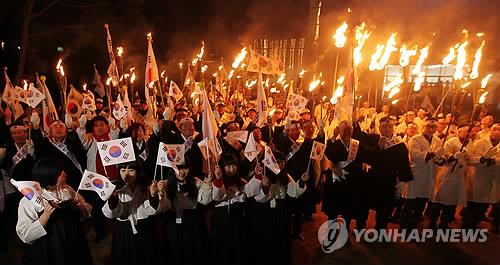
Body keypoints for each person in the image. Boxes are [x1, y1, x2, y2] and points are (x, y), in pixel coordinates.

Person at [16, 158, 93, 265]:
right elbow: (25, 235)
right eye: (59, 173)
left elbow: (85, 213)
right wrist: (46, 215)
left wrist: (79, 205)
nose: (64, 174)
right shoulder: (29, 201)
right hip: (51, 250)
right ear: (48, 176)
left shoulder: (66, 190)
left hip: (74, 242)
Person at [245, 150, 307, 264]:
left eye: (281, 162)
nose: (279, 165)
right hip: (264, 212)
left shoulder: (285, 177)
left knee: (280, 238)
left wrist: (302, 181)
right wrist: (264, 188)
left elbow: (294, 192)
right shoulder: (263, 176)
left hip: (281, 212)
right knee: (266, 239)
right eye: (276, 162)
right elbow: (256, 196)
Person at [102, 160, 164, 265]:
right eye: (123, 170)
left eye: (131, 170)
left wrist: (153, 196)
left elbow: (151, 211)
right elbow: (111, 214)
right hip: (124, 229)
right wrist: (112, 200)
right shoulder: (116, 189)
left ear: (138, 171)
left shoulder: (146, 187)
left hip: (144, 227)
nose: (126, 174)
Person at [366, 116, 413, 229]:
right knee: (366, 204)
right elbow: (367, 158)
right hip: (372, 179)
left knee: (385, 207)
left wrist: (402, 181)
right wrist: (378, 147)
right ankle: (360, 226)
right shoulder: (372, 139)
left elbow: (404, 164)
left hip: (389, 180)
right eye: (384, 126)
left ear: (393, 128)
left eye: (389, 126)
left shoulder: (399, 145)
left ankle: (380, 228)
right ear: (379, 127)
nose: (387, 129)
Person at [161, 161, 213, 264]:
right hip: (173, 222)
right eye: (178, 169)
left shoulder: (195, 181)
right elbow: (163, 207)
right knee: (175, 252)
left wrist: (207, 184)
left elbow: (205, 200)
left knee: (193, 251)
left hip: (192, 221)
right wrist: (160, 192)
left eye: (185, 168)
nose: (182, 172)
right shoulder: (166, 184)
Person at [323, 120, 369, 230]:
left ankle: (345, 232)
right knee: (333, 211)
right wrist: (333, 138)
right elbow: (330, 154)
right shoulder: (332, 142)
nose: (347, 132)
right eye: (344, 130)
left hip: (351, 183)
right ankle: (331, 233)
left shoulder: (356, 144)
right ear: (339, 130)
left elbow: (368, 154)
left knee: (348, 210)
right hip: (336, 181)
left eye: (349, 130)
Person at [400, 118, 443, 229]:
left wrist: (441, 159)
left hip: (429, 175)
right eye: (428, 126)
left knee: (421, 203)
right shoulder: (415, 139)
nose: (430, 129)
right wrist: (433, 154)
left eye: (433, 127)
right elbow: (416, 156)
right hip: (416, 174)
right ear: (423, 127)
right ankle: (404, 226)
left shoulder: (438, 141)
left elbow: (439, 158)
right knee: (409, 202)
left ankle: (415, 223)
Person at [429, 125, 470, 229]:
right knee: (438, 201)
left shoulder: (470, 143)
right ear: (458, 132)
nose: (468, 133)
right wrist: (453, 157)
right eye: (465, 131)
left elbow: (471, 157)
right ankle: (432, 222)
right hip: (447, 175)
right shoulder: (451, 142)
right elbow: (444, 155)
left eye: (469, 131)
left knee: (451, 203)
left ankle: (444, 223)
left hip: (459, 176)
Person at [210, 153, 248, 265]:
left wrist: (238, 194)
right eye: (228, 166)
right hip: (221, 219)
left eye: (234, 165)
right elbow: (216, 197)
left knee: (237, 246)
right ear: (222, 166)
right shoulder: (216, 181)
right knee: (222, 247)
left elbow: (247, 196)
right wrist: (218, 180)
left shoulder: (240, 181)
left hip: (237, 218)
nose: (232, 169)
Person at [462, 123, 499, 229]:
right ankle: (467, 227)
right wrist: (483, 159)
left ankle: (475, 224)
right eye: (494, 129)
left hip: (493, 179)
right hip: (478, 177)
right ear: (490, 131)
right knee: (472, 204)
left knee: (483, 205)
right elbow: (471, 158)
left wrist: (493, 161)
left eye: (499, 130)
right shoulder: (480, 143)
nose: (496, 132)